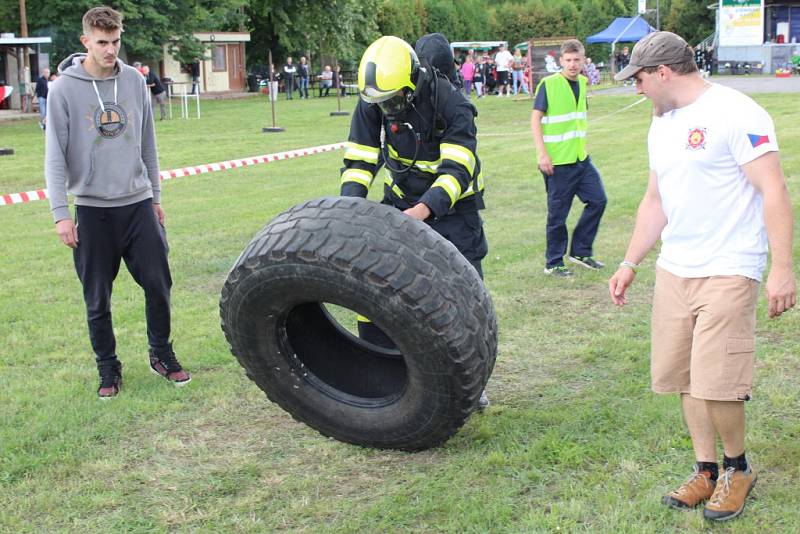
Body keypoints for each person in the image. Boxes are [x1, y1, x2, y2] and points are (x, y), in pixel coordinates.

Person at [610, 31, 796, 522]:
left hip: (729, 267)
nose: (637, 89)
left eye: (641, 79)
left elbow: (773, 190)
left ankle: (738, 469)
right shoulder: (661, 123)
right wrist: (630, 262)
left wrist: (781, 269)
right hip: (677, 269)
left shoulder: (739, 113)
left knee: (718, 382)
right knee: (686, 379)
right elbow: (657, 200)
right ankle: (706, 470)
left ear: (664, 73)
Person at [44, 5, 190, 399]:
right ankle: (108, 368)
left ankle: (161, 353)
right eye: (102, 42)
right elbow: (54, 156)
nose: (111, 50)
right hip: (92, 210)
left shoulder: (134, 82)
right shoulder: (63, 89)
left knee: (159, 284)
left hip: (138, 203)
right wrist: (61, 214)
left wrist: (155, 196)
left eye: (116, 41)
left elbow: (148, 144)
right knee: (97, 298)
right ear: (85, 41)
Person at [340, 34, 489, 409]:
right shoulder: (376, 95)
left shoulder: (452, 103)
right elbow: (359, 157)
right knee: (373, 278)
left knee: (462, 294)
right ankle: (381, 371)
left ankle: (472, 384)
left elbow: (458, 170)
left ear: (412, 83)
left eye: (393, 102)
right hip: (401, 199)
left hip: (455, 210)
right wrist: (351, 209)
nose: (386, 109)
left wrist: (422, 212)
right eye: (379, 103)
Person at [530, 39, 606, 277]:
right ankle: (553, 262)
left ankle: (581, 251)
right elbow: (535, 119)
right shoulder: (548, 84)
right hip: (557, 162)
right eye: (568, 60)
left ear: (583, 60)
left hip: (580, 159)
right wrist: (542, 153)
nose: (573, 65)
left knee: (598, 200)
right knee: (558, 215)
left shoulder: (583, 83)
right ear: (561, 61)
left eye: (577, 60)